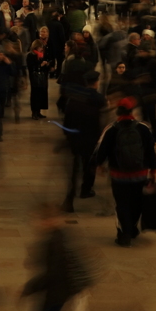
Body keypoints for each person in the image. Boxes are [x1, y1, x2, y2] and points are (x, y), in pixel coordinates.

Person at [93, 97, 156, 246]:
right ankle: (133, 228)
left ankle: (124, 235)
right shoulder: (143, 128)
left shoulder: (112, 129)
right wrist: (153, 170)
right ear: (132, 111)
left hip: (118, 175)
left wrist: (99, 165)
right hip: (140, 173)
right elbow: (150, 151)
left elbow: (101, 151)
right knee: (136, 202)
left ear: (118, 112)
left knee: (122, 204)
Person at [21, 203, 95, 311]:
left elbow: (52, 274)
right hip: (63, 291)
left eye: (37, 219)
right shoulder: (59, 237)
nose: (34, 223)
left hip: (58, 292)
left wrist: (30, 288)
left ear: (48, 221)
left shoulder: (55, 243)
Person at [60, 70, 105, 213]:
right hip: (91, 138)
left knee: (75, 168)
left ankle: (70, 197)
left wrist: (68, 135)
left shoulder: (74, 98)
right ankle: (86, 189)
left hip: (75, 138)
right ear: (96, 83)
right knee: (90, 164)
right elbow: (102, 121)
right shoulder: (99, 99)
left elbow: (67, 120)